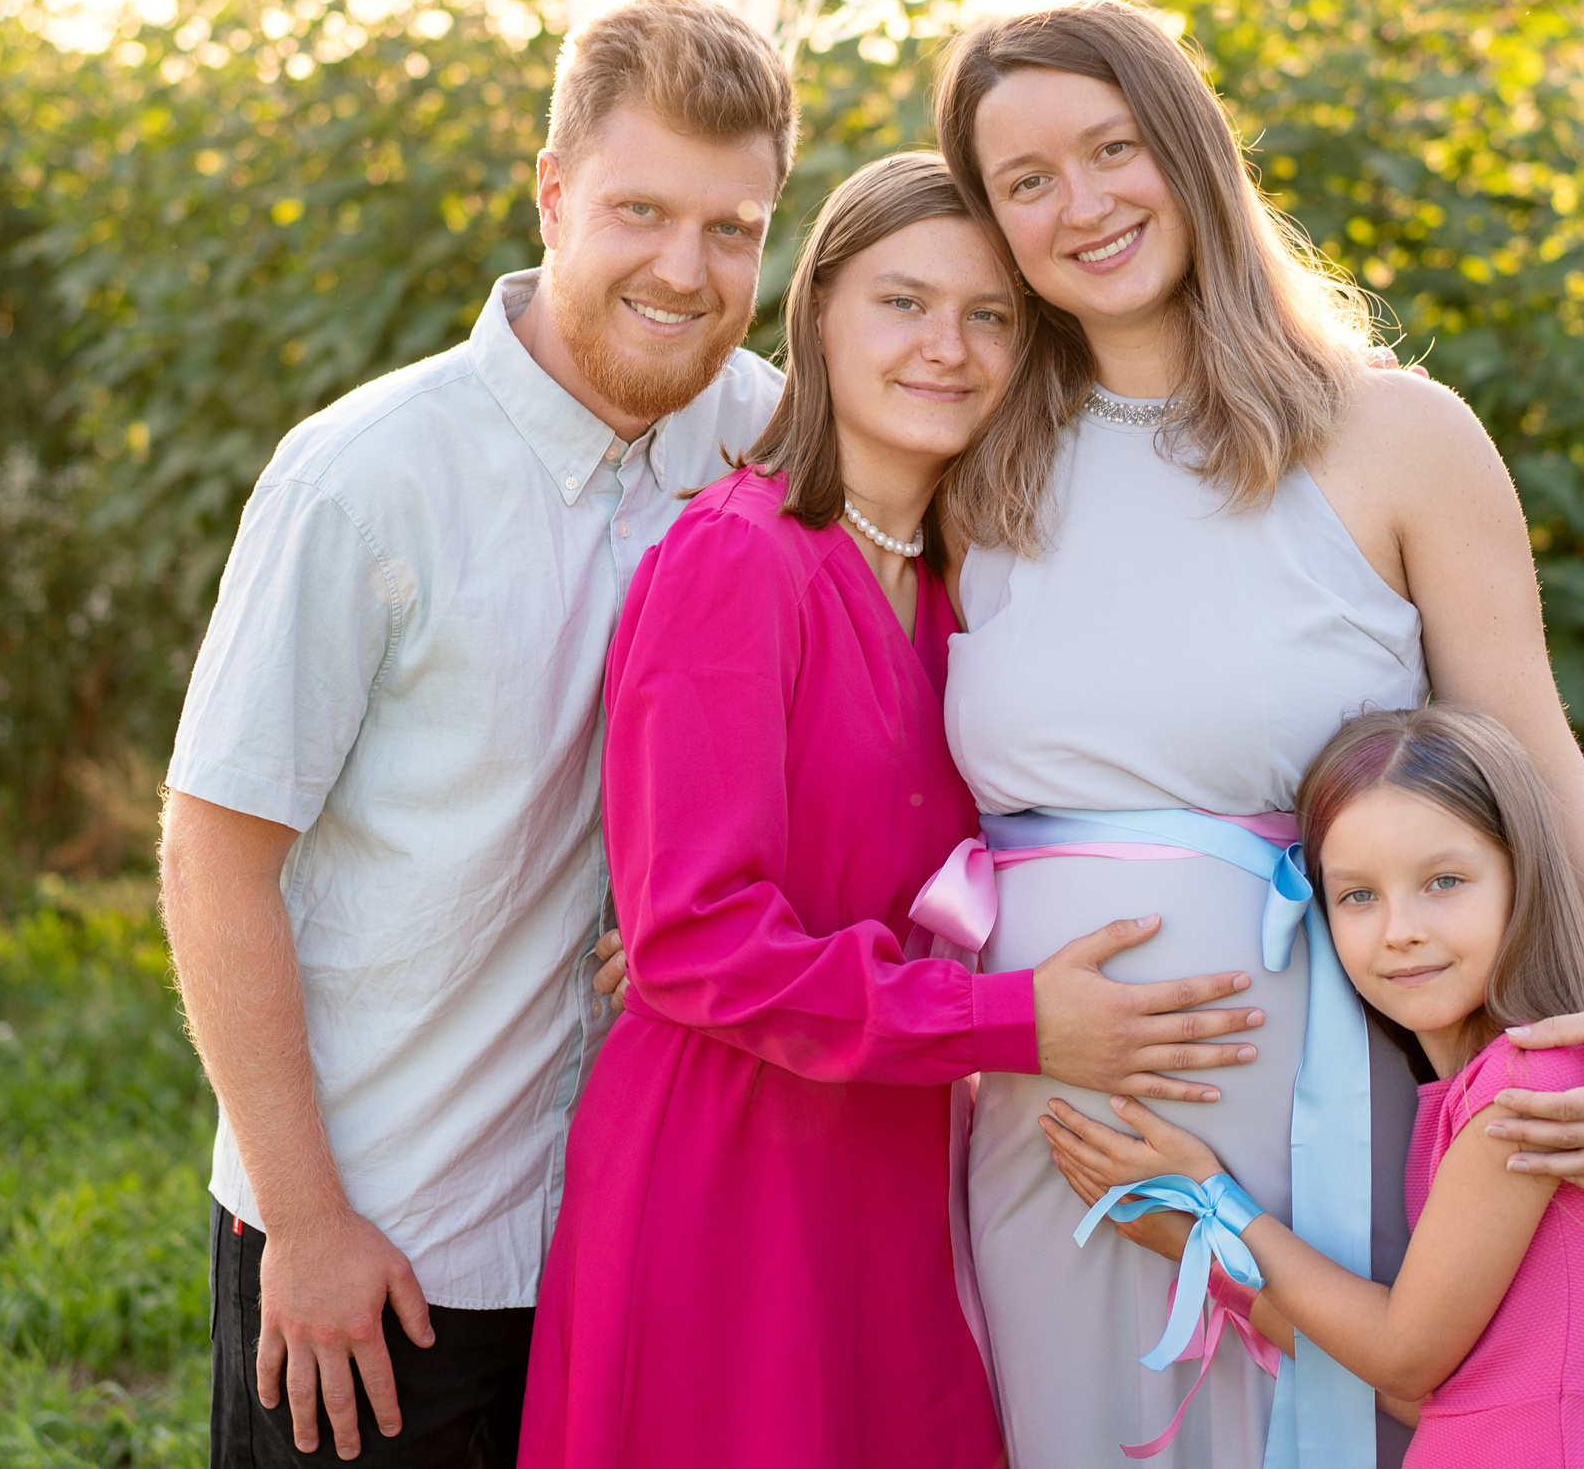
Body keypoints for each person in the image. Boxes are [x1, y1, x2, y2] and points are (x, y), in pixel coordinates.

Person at [927, 0, 1584, 1469]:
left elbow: (1527, 747)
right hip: (1054, 1123)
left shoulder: (1395, 434)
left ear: (1191, 147)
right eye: (1026, 181)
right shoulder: (974, 465)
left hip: (1316, 1093)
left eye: (1113, 147)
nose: (1083, 204)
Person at [518, 152, 1273, 1468]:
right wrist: (1021, 1017)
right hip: (731, 1166)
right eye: (903, 303)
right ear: (816, 315)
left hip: (900, 1155)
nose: (949, 347)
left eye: (989, 315)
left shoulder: (968, 592)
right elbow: (694, 939)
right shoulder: (737, 557)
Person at [159, 0, 802, 1467]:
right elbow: (214, 855)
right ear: (556, 192)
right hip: (390, 1235)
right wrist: (310, 1225)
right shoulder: (364, 478)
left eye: (732, 227)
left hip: (639, 1235)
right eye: (640, 210)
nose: (685, 270)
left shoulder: (771, 440)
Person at [1041, 706, 1584, 1469]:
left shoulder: (1527, 1089)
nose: (1400, 928)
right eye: (1359, 895)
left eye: (1443, 881)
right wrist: (1201, 1253)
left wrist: (1217, 1202)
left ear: (1521, 879)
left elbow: (1405, 1358)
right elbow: (1426, 1385)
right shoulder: (1479, 1095)